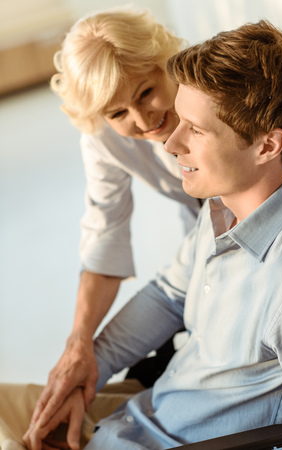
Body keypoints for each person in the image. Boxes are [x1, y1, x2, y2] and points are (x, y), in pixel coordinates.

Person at [2, 17, 282, 450]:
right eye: (118, 112)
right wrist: (87, 365)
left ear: (267, 145)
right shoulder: (218, 207)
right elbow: (166, 291)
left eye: (193, 129)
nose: (168, 141)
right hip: (143, 414)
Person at [27, 6, 200, 436]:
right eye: (117, 113)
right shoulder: (104, 135)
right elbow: (107, 235)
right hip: (203, 228)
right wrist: (81, 349)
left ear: (165, 59)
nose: (143, 123)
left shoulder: (222, 96)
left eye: (146, 92)